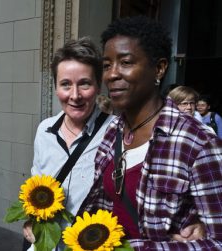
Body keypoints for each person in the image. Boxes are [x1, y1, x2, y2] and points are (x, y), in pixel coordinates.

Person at [79, 16, 222, 250]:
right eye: (106, 65)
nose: (111, 74)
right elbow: (104, 205)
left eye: (125, 62)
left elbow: (218, 242)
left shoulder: (197, 143)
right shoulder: (111, 131)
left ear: (159, 68)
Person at [22, 37, 115, 251]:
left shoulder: (116, 132)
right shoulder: (44, 130)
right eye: (66, 84)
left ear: (98, 85)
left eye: (84, 83)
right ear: (55, 87)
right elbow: (36, 183)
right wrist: (31, 220)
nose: (75, 95)